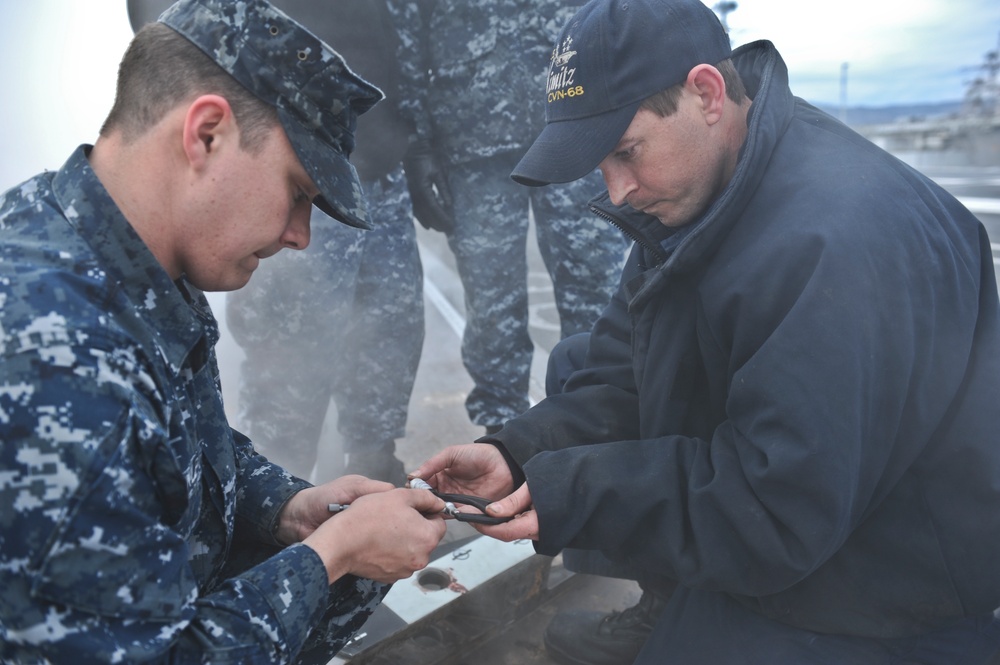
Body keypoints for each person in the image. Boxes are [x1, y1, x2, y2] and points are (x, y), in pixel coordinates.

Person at [411, 0, 1000, 663]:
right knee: (577, 362)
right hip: (815, 507)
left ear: (707, 94)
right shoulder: (706, 185)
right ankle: (670, 604)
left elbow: (776, 507)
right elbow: (621, 363)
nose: (618, 189)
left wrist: (572, 491)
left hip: (889, 579)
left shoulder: (832, 242)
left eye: (625, 151)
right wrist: (520, 453)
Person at [0, 1, 447, 662]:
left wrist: (289, 506)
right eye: (297, 191)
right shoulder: (60, 363)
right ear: (206, 133)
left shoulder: (106, 240)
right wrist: (333, 553)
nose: (300, 235)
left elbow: (176, 448)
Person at [387, 0, 629, 435]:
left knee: (597, 291)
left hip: (578, 120)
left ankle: (597, 430)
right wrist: (417, 141)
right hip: (471, 135)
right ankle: (504, 439)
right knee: (492, 302)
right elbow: (408, 25)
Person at [222, 0, 424, 485]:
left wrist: (418, 145)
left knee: (388, 328)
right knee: (289, 358)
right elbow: (168, 26)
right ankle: (273, 505)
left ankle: (373, 475)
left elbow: (402, 28)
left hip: (378, 162)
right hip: (287, 161)